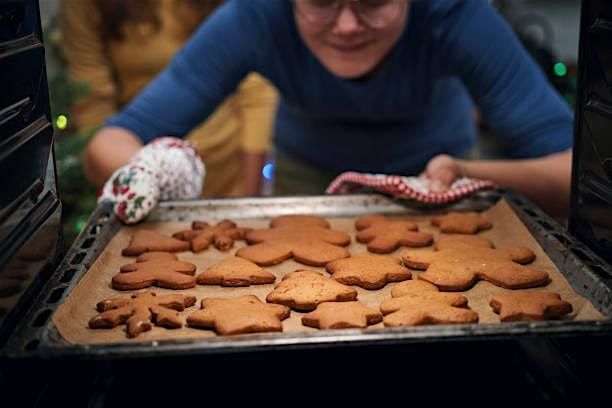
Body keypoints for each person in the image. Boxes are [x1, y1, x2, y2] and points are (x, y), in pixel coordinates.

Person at [86, 0, 573, 216]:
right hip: (307, 180)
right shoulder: (256, 16)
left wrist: (464, 172)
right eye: (320, 1)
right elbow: (112, 140)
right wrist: (145, 171)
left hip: (437, 184)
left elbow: (576, 171)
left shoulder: (456, 15)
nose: (345, 25)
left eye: (373, 1)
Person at [60, 0, 278, 197]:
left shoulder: (242, 20)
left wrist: (250, 196)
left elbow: (256, 90)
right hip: (139, 159)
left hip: (229, 166)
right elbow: (91, 99)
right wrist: (135, 182)